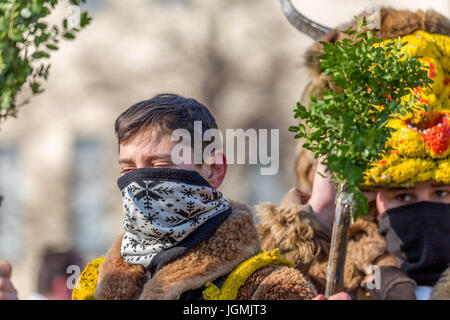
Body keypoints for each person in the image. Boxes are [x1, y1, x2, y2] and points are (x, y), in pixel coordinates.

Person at [69, 93, 350, 300]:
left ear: (214, 170)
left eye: (160, 166)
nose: (139, 182)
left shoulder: (266, 286)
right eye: (128, 168)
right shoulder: (95, 281)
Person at [257, 30, 450, 299]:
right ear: (375, 202)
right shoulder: (350, 280)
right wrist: (321, 210)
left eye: (441, 192)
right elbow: (258, 288)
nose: (423, 208)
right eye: (402, 194)